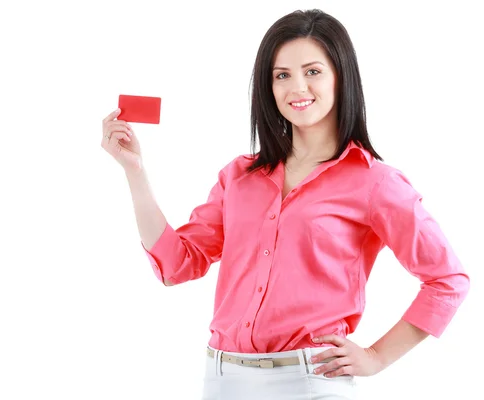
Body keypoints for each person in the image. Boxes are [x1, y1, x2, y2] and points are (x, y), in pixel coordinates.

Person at [100, 8, 470, 400]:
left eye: (313, 71)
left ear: (340, 77)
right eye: (282, 75)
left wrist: (376, 357)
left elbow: (447, 281)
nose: (297, 88)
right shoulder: (239, 177)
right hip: (223, 379)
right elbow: (176, 266)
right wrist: (134, 172)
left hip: (311, 382)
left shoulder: (374, 182)